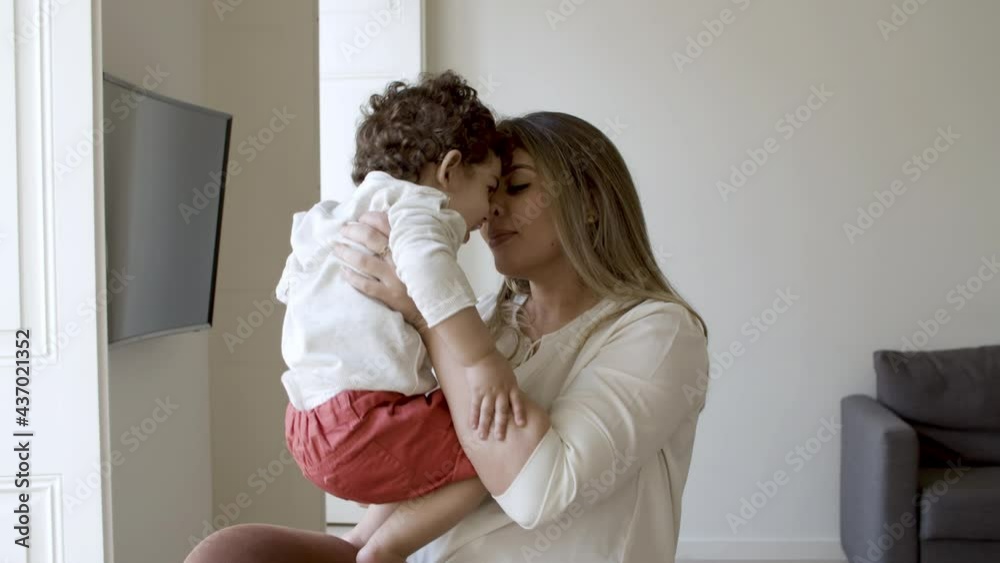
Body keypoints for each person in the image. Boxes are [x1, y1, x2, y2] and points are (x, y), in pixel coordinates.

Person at [186, 110, 709, 563]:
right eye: (491, 191)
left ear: (590, 202)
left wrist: (424, 316)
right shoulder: (484, 321)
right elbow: (417, 461)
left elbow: (540, 493)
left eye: (517, 187)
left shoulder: (658, 332)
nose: (492, 211)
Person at [275, 70, 527, 563]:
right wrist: (482, 361)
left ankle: (355, 544)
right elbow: (429, 272)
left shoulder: (339, 214)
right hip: (361, 420)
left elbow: (292, 281)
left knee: (436, 443)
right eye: (490, 187)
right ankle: (386, 551)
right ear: (449, 170)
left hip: (307, 420)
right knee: (487, 454)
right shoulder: (417, 208)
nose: (488, 212)